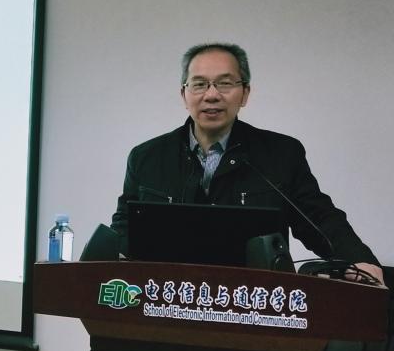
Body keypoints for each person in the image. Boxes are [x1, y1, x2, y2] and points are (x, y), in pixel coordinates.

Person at [111, 42, 384, 285]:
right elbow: (125, 227)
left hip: (254, 303)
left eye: (225, 83)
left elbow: (318, 218)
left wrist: (359, 261)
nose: (211, 95)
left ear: (244, 94)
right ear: (184, 94)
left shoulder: (281, 154)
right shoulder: (146, 157)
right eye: (199, 84)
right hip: (168, 300)